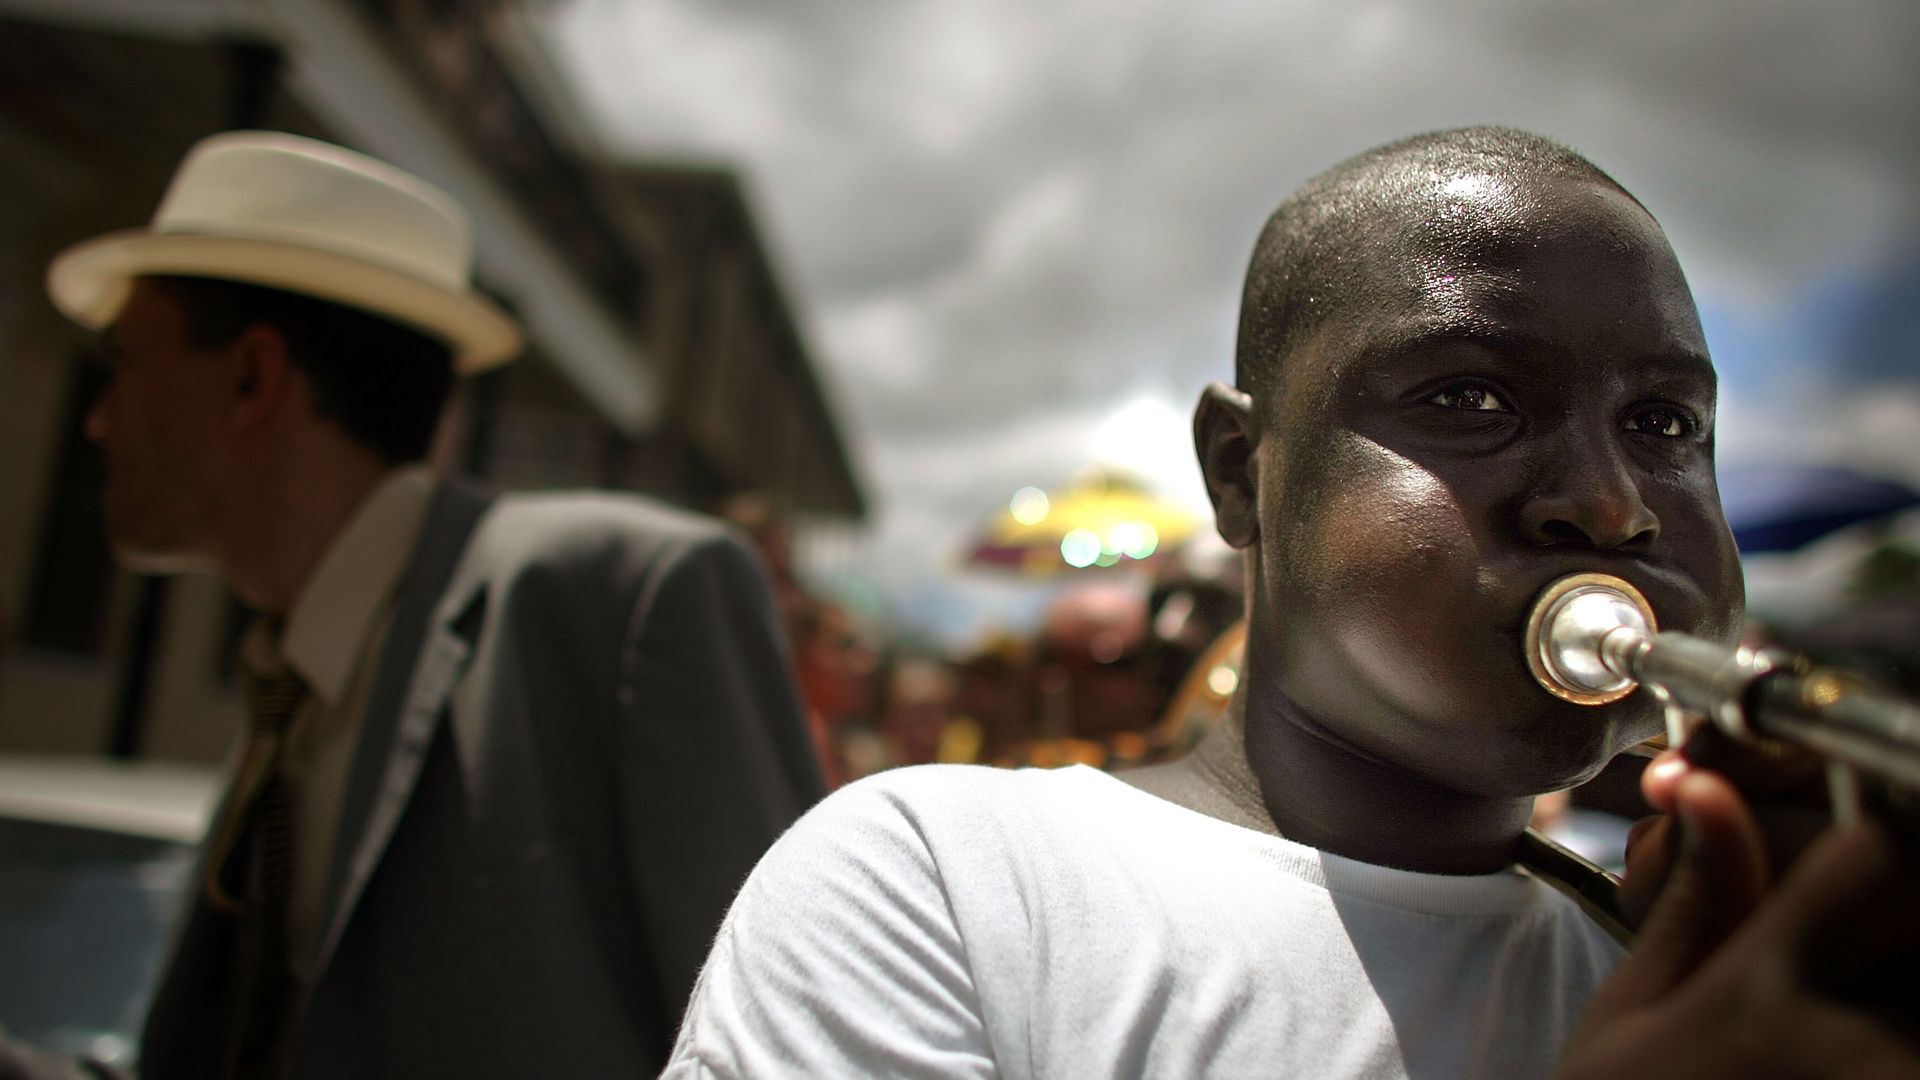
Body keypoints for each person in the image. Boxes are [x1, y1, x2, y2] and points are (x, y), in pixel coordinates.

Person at [662, 127, 1920, 1077]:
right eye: (1471, 399)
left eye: (1663, 424)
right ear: (1240, 474)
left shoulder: (1681, 968)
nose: (1608, 504)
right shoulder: (947, 881)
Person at [10, 131, 824, 1079]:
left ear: (251, 377)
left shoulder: (624, 596)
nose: (99, 417)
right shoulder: (292, 684)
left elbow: (800, 1044)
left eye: (127, 362)